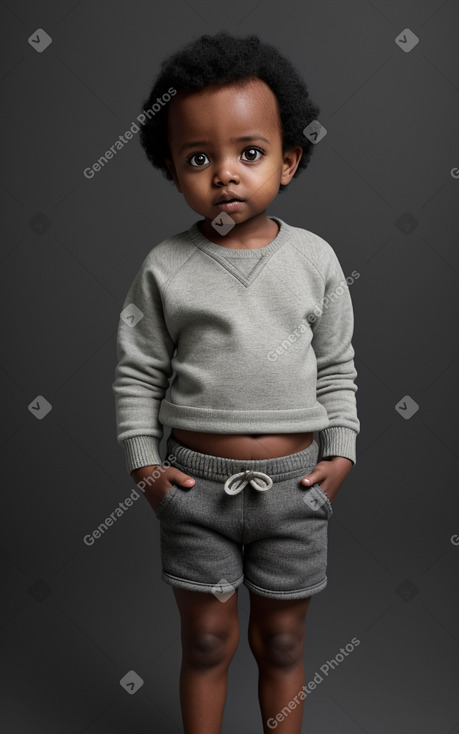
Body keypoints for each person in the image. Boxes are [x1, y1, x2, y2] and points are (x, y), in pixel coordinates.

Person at [112, 31, 360, 734]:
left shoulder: (314, 260)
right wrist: (145, 467)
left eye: (249, 153)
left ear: (287, 160)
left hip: (294, 489)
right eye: (199, 158)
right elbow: (137, 371)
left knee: (280, 641)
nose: (225, 173)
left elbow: (338, 364)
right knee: (206, 641)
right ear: (172, 169)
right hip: (194, 491)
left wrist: (339, 453)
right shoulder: (165, 267)